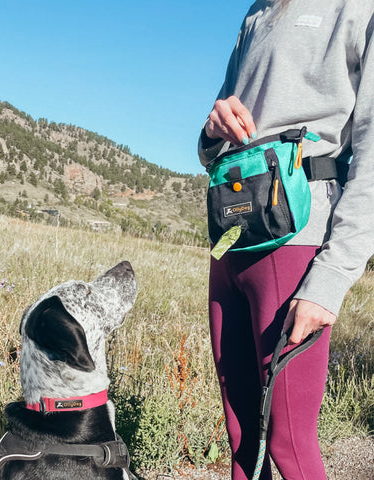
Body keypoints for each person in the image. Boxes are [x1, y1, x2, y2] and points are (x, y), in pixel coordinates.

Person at [198, 1, 374, 479]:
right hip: (231, 237)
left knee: (289, 444)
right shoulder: (256, 12)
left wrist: (331, 279)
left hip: (295, 240)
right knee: (240, 440)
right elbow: (211, 140)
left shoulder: (357, 9)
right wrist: (213, 129)